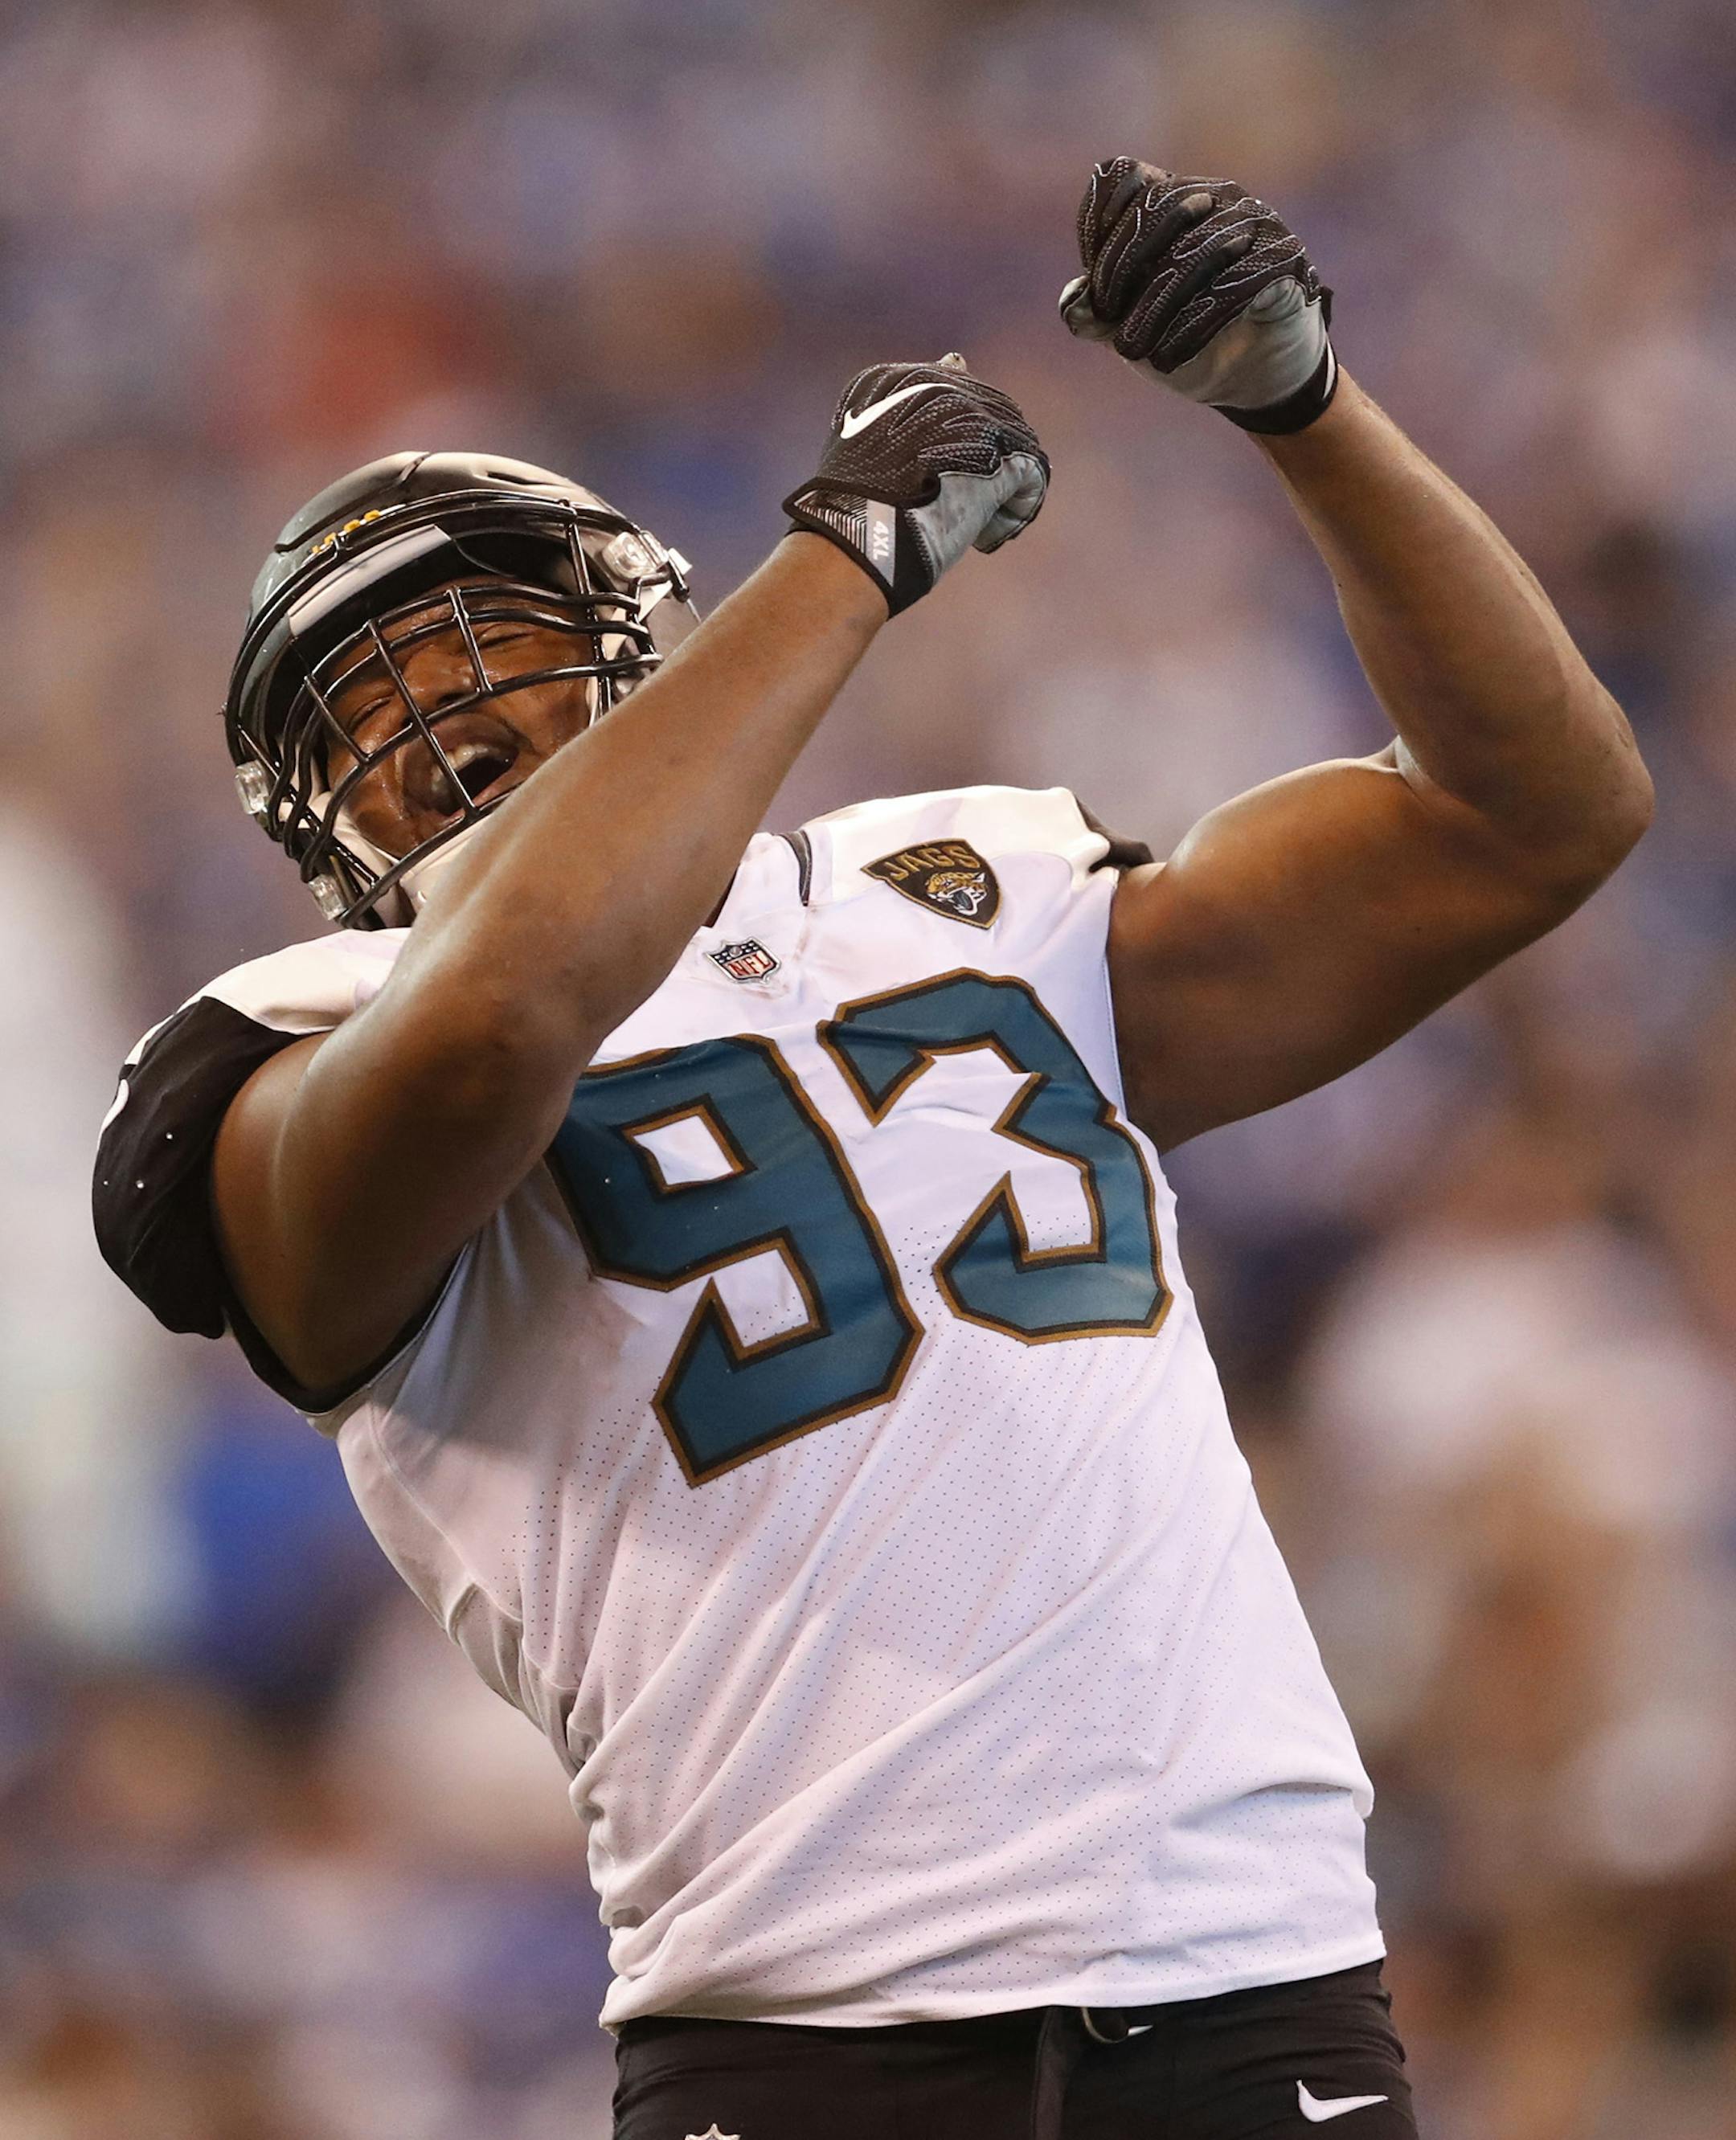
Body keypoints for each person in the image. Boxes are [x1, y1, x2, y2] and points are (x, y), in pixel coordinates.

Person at [93, 160, 1651, 2139]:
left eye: (484, 635)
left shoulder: (965, 886)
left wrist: (1306, 411)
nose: (441, 715)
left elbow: (1536, 818)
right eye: (369, 707)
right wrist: (848, 553)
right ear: (317, 834)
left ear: (632, 647)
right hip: (800, 2034)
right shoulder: (278, 1040)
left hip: (1254, 1978)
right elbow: (507, 1011)